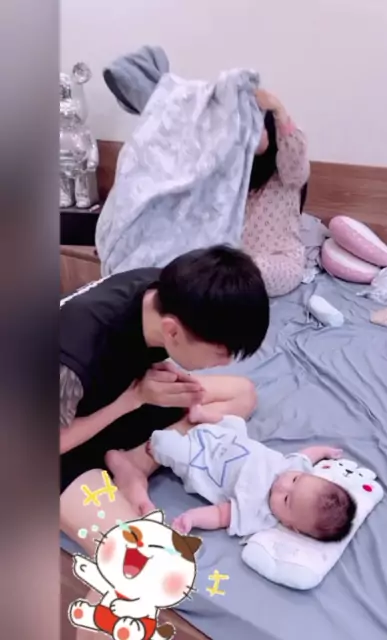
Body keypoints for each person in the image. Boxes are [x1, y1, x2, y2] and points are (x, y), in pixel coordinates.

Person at [60, 245, 269, 557]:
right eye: (219, 354)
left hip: (108, 400)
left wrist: (150, 379)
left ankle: (134, 465)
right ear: (172, 332)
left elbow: (124, 352)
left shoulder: (162, 291)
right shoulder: (72, 355)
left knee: (242, 394)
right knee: (137, 557)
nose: (225, 363)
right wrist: (133, 398)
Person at [109, 415, 356, 541]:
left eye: (286, 500)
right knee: (235, 421)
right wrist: (324, 451)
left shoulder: (258, 514)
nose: (282, 485)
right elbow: (307, 456)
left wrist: (192, 518)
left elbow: (221, 515)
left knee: (170, 448)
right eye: (294, 481)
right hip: (226, 439)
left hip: (200, 460)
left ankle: (154, 447)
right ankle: (202, 415)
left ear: (291, 525)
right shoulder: (295, 467)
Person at [242, 89, 310, 297]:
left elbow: (294, 152)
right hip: (236, 260)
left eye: (258, 126)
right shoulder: (237, 173)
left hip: (280, 261)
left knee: (245, 271)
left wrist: (279, 110)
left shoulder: (288, 174)